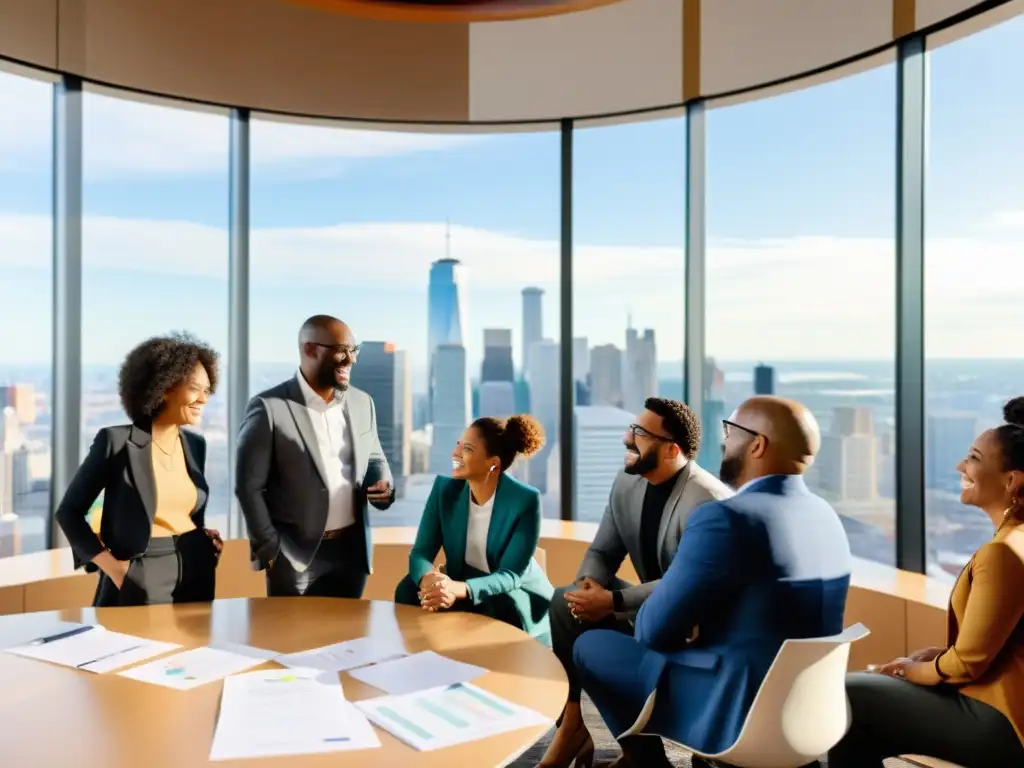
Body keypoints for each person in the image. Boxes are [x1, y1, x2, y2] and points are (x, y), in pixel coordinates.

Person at [573, 395, 853, 767]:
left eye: (730, 431)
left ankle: (648, 765)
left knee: (590, 647)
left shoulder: (725, 518)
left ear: (757, 444)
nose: (723, 441)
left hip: (732, 708)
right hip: (810, 715)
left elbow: (653, 631)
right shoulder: (826, 517)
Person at [536, 398, 732, 768]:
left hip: (699, 630)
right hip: (652, 612)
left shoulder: (707, 501)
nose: (628, 438)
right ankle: (583, 731)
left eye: (640, 433)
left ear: (672, 449)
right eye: (632, 428)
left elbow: (688, 584)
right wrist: (588, 589)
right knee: (564, 603)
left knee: (595, 632)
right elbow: (602, 551)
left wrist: (612, 601)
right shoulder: (627, 483)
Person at [829, 397, 1024, 768]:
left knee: (847, 695)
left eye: (974, 459)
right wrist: (936, 656)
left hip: (1002, 721)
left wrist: (910, 670)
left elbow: (967, 664)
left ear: (1012, 480)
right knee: (865, 713)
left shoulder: (1003, 553)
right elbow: (1001, 646)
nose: (960, 466)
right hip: (1003, 706)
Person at [55, 333, 223, 607]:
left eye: (207, 390)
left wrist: (205, 540)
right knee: (133, 648)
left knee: (191, 648)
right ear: (164, 386)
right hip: (141, 570)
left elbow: (186, 511)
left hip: (197, 566)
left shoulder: (195, 445)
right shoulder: (116, 442)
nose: (203, 399)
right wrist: (117, 571)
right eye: (195, 388)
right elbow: (69, 513)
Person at [235, 315, 394, 598]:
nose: (351, 360)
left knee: (348, 637)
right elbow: (249, 486)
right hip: (294, 556)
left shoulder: (362, 402)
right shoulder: (269, 407)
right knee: (294, 639)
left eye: (354, 351)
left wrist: (383, 483)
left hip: (352, 553)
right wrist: (270, 548)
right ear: (310, 349)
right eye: (342, 350)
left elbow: (375, 457)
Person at [395, 415, 554, 640]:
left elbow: (510, 576)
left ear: (493, 463)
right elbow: (420, 553)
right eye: (458, 445)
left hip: (511, 591)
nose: (455, 454)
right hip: (461, 578)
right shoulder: (445, 491)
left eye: (467, 449)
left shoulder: (524, 500)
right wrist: (429, 579)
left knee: (503, 608)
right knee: (408, 589)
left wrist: (457, 589)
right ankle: (420, 656)